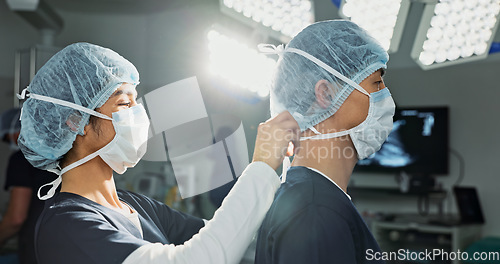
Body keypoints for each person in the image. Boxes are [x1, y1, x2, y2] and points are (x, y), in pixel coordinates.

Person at [17, 42, 300, 264]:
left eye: (135, 102)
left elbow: (227, 234)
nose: (138, 116)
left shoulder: (135, 207)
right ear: (76, 122)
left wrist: (290, 168)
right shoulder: (68, 226)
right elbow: (201, 259)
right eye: (124, 104)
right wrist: (262, 163)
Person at [254, 20, 395, 263]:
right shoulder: (315, 210)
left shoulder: (312, 197)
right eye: (376, 83)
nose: (386, 94)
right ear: (326, 94)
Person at [0, 107, 58, 264]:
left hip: (37, 247)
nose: (9, 141)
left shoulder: (21, 160)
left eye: (8, 136)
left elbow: (16, 218)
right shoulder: (63, 154)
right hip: (69, 241)